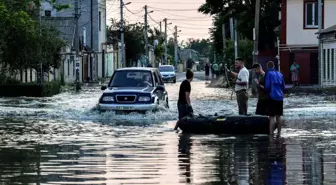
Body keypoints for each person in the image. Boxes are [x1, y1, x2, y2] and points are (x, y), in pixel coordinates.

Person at [265, 61, 285, 137]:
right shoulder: (280, 74)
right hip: (280, 97)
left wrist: (267, 93)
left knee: (272, 117)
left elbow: (267, 87)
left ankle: (271, 134)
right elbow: (283, 87)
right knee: (279, 116)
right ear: (273, 66)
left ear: (267, 67)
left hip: (272, 97)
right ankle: (279, 133)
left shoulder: (268, 74)